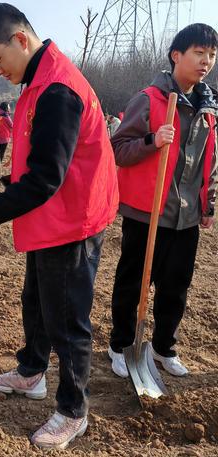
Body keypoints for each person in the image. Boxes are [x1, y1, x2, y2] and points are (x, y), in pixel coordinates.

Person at [0, 3, 118, 450]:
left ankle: (73, 411)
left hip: (72, 219)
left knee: (67, 318)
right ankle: (31, 372)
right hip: (50, 215)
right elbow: (36, 159)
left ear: (21, 40)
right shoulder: (37, 80)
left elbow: (46, 178)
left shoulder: (58, 89)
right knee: (36, 301)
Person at [108, 24, 218, 379]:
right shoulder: (149, 99)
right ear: (177, 55)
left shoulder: (209, 107)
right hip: (146, 212)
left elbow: (210, 160)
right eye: (199, 53)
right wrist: (153, 140)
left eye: (212, 55)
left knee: (176, 285)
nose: (206, 62)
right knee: (134, 281)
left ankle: (162, 347)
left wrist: (209, 204)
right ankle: (121, 345)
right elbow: (118, 150)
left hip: (185, 216)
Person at [0, 101, 13, 165]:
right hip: (5, 136)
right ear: (6, 107)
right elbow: (12, 125)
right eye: (9, 107)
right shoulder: (6, 116)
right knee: (2, 151)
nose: (9, 108)